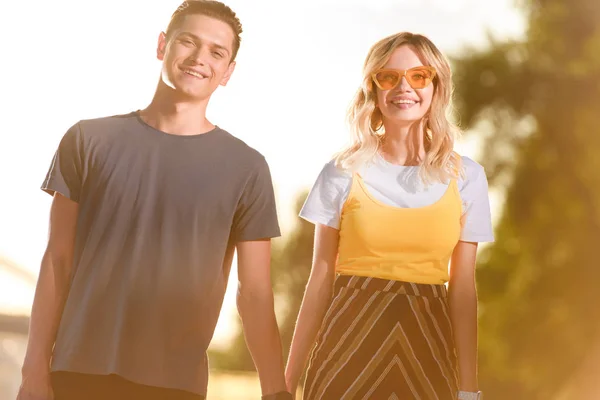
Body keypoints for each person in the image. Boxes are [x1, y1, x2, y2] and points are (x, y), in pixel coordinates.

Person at [17, 1, 292, 399]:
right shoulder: (87, 140)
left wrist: (275, 390)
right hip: (75, 372)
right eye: (188, 42)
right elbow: (57, 262)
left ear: (228, 72)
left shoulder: (247, 169)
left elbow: (254, 292)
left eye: (217, 52)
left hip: (175, 385)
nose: (200, 59)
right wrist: (33, 371)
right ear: (163, 45)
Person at [285, 32, 494, 400]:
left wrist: (469, 388)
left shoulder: (467, 177)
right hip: (345, 350)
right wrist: (283, 385)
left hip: (428, 348)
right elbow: (319, 279)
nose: (404, 87)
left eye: (418, 76)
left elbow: (463, 289)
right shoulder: (342, 171)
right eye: (389, 76)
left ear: (436, 87)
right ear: (373, 89)